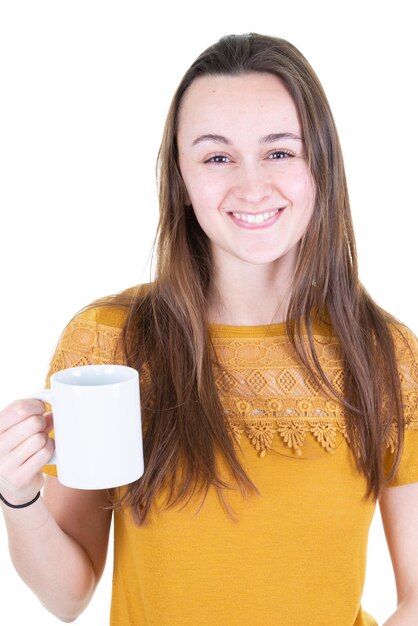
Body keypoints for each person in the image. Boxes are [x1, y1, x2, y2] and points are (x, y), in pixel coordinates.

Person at [0, 32, 417, 626]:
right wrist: (17, 495)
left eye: (280, 152)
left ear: (319, 164)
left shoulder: (386, 356)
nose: (251, 186)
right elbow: (67, 597)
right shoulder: (108, 344)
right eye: (217, 157)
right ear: (182, 180)